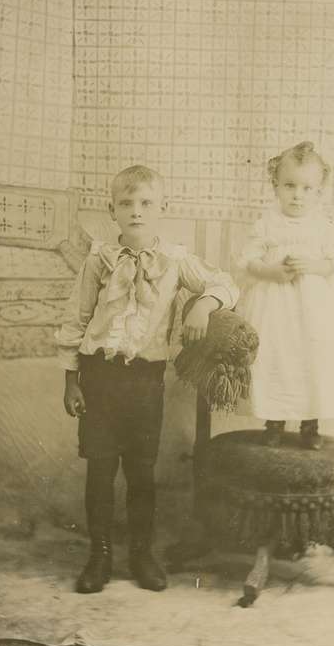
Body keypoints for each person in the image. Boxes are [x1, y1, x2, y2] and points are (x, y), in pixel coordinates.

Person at [56, 164, 239, 594]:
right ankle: (99, 555)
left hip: (145, 382)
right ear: (112, 210)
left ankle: (142, 554)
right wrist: (71, 380)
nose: (136, 212)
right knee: (100, 470)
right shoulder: (98, 259)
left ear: (162, 209)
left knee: (141, 472)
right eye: (126, 203)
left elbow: (226, 283)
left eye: (146, 204)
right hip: (99, 377)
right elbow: (75, 319)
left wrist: (203, 303)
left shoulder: (174, 260)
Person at [235, 141, 334, 450]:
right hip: (274, 309)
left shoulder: (323, 228)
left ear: (319, 192)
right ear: (275, 186)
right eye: (290, 186)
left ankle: (311, 425)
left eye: (307, 188)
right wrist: (270, 271)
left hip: (315, 312)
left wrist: (312, 265)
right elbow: (246, 261)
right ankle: (274, 422)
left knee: (313, 361)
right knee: (278, 359)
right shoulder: (266, 224)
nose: (298, 194)